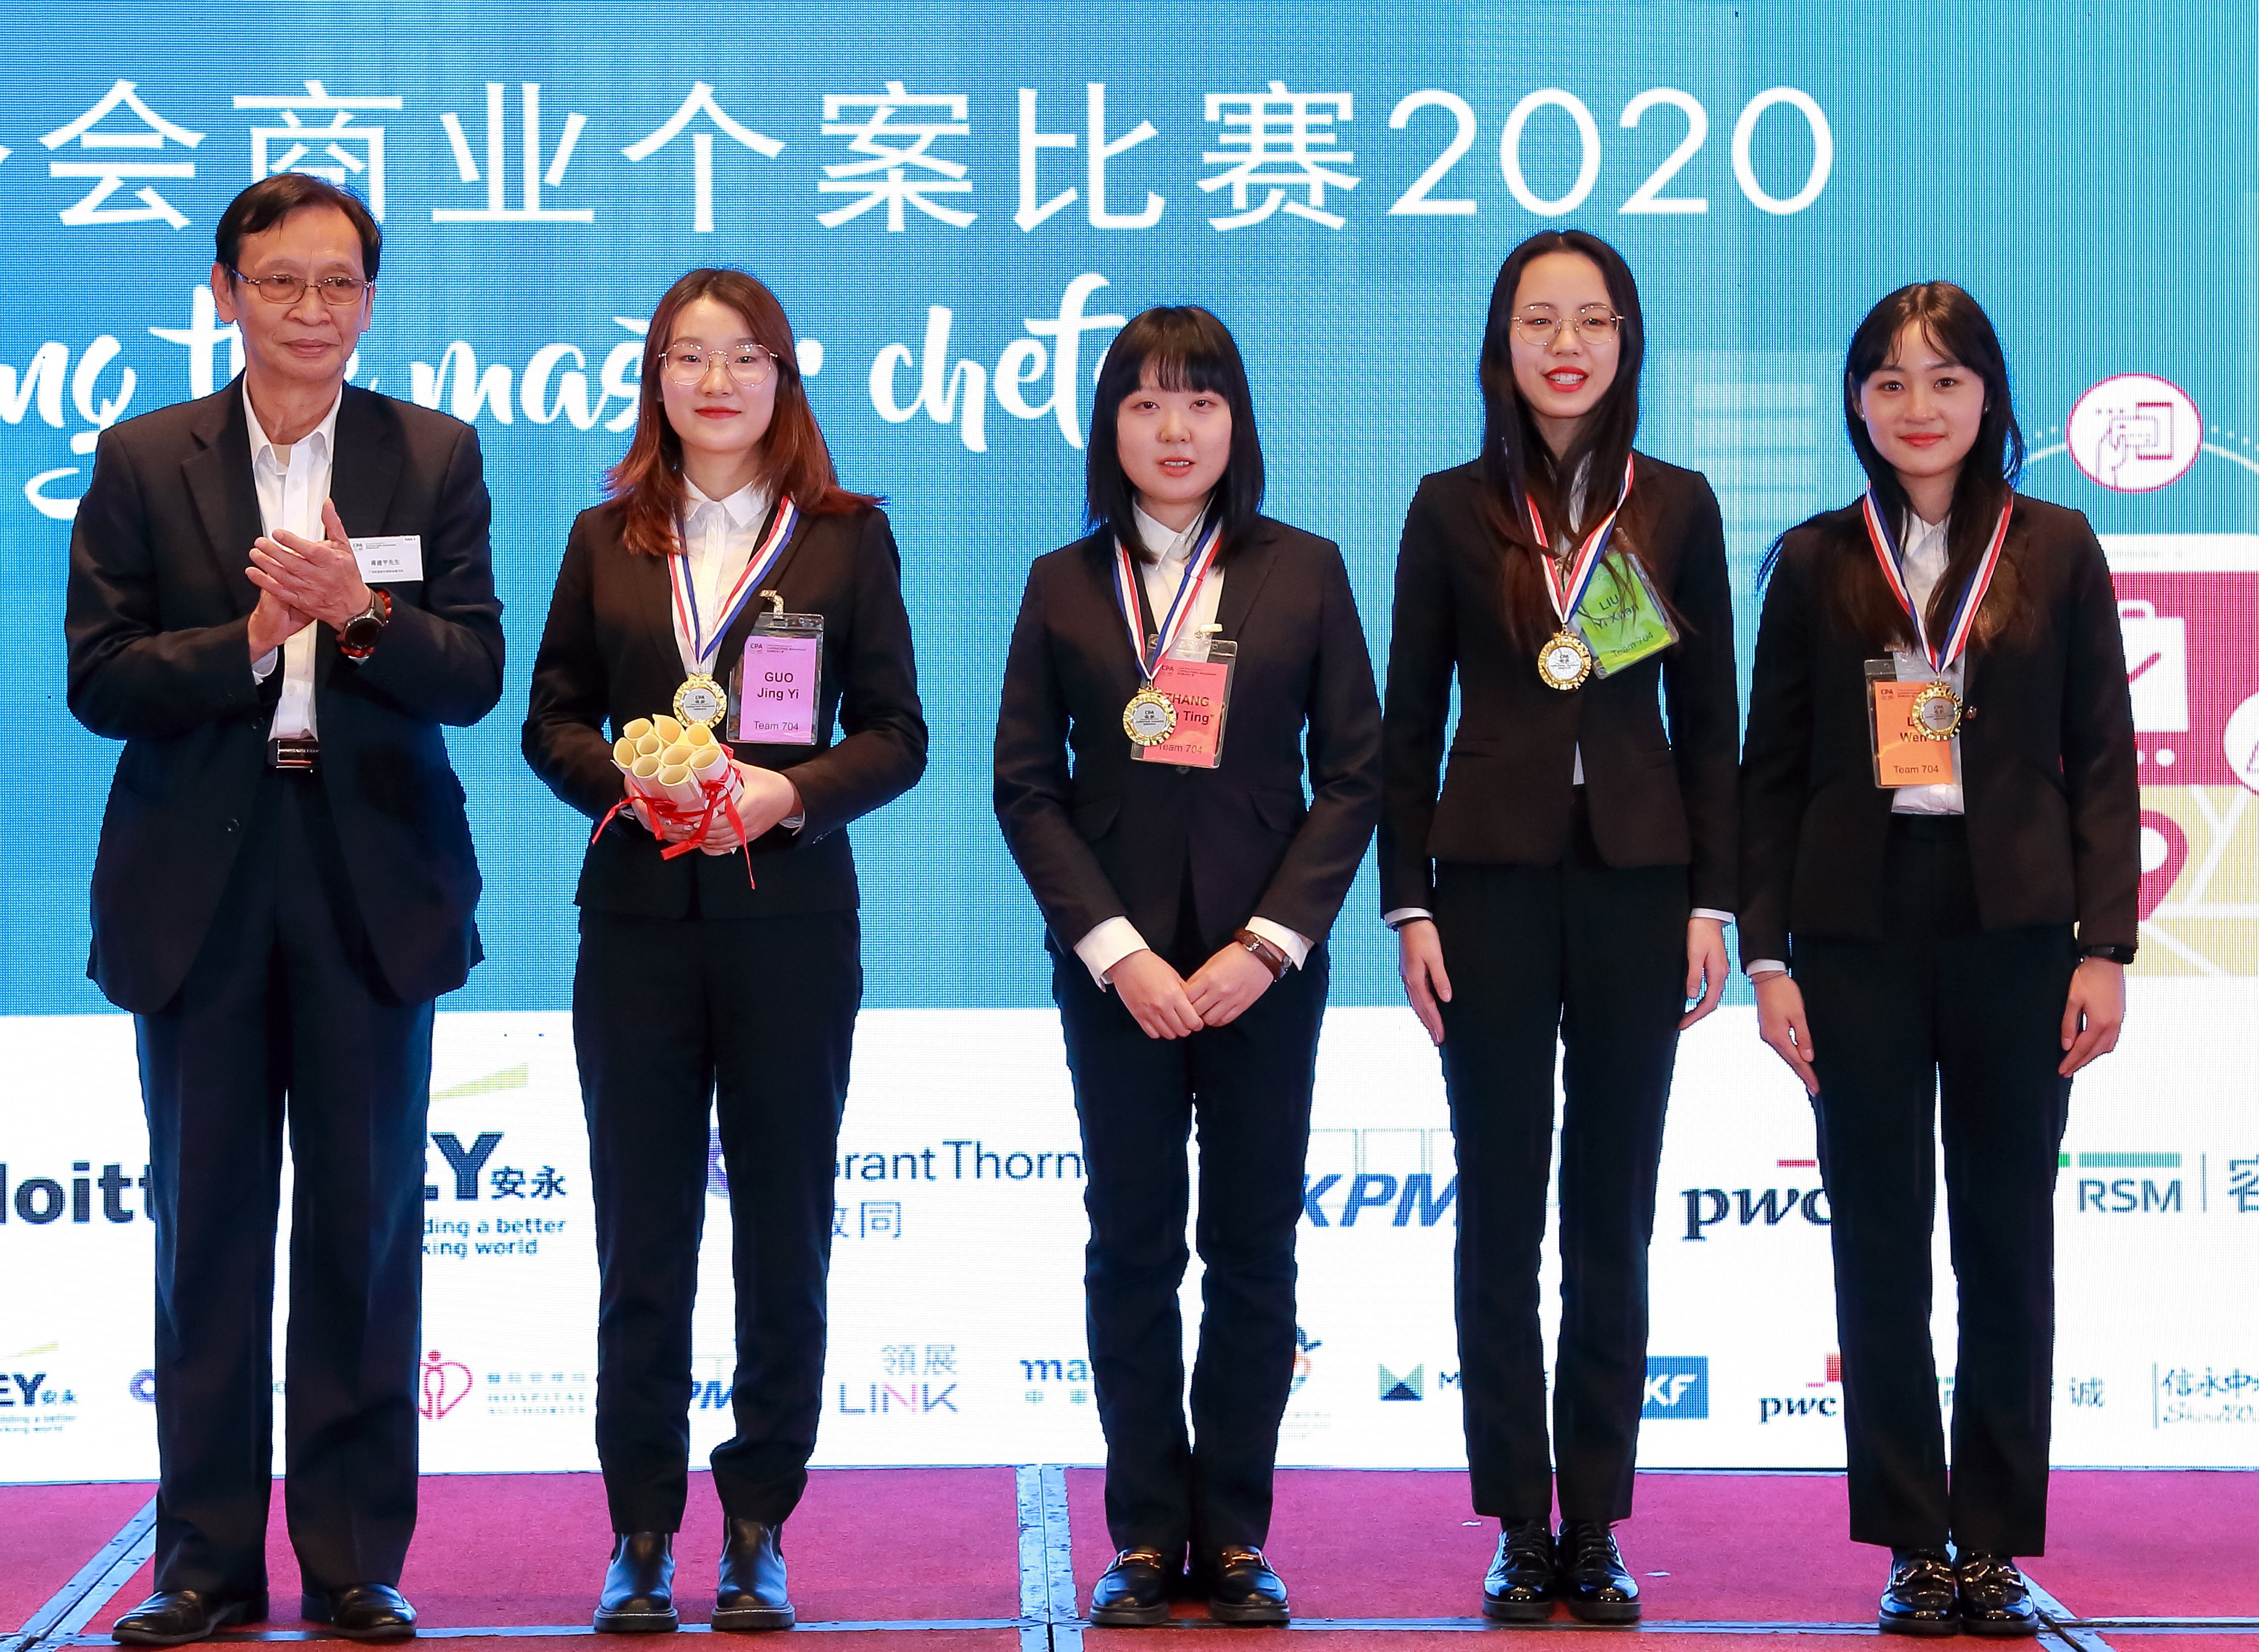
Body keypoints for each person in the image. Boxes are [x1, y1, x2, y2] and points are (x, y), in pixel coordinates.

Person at [66, 175, 503, 1645]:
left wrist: (358, 613)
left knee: (362, 1230)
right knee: (205, 1233)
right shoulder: (146, 457)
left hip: (370, 878)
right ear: (225, 292)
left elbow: (473, 674)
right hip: (198, 885)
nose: (311, 310)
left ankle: (354, 1559)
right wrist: (254, 633)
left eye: (338, 284)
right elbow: (100, 679)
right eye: (279, 282)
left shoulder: (430, 454)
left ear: (370, 300)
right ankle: (202, 1562)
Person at [522, 268, 926, 1634]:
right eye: (688, 355)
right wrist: (626, 784)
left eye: (745, 356)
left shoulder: (846, 539)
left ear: (782, 379)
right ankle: (639, 1530)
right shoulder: (605, 537)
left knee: (784, 1232)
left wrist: (788, 792)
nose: (716, 380)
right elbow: (552, 718)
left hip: (791, 928)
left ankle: (758, 1525)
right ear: (656, 378)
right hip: (636, 928)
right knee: (641, 1238)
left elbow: (898, 735)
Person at [1738, 281, 2136, 1636]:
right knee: (1879, 1235)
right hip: (1853, 928)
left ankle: (1996, 1538)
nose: (1918, 407)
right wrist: (1768, 959)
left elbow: (2103, 755)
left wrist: (2105, 946)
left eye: (1945, 380)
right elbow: (1769, 771)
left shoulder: (2056, 545)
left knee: (2006, 1235)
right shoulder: (1813, 559)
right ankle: (1915, 1538)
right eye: (1890, 381)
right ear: (1856, 402)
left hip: (2017, 927)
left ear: (1988, 397)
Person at [993, 306, 1380, 1628]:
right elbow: (1025, 786)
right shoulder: (1062, 582)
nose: (1174, 429)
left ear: (1236, 422)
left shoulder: (1305, 569)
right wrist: (1116, 951)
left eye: (1201, 402)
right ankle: (1147, 1532)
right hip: (1121, 977)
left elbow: (1355, 773)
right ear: (1109, 427)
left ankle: (1238, 1534)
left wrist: (1269, 943)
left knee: (1254, 1247)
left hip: (1263, 970)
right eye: (1146, 403)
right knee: (1132, 1243)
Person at [1378, 230, 1738, 1625]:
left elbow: (1711, 721)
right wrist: (1409, 898)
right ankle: (1517, 1522)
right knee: (1498, 1207)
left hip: (1642, 884)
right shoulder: (1449, 507)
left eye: (1592, 318)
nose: (1566, 343)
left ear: (1627, 340)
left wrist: (1712, 898)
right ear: (1503, 343)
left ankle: (1594, 1518)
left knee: (1611, 1211)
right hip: (1487, 884)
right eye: (1540, 319)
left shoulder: (1679, 505)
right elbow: (1409, 717)